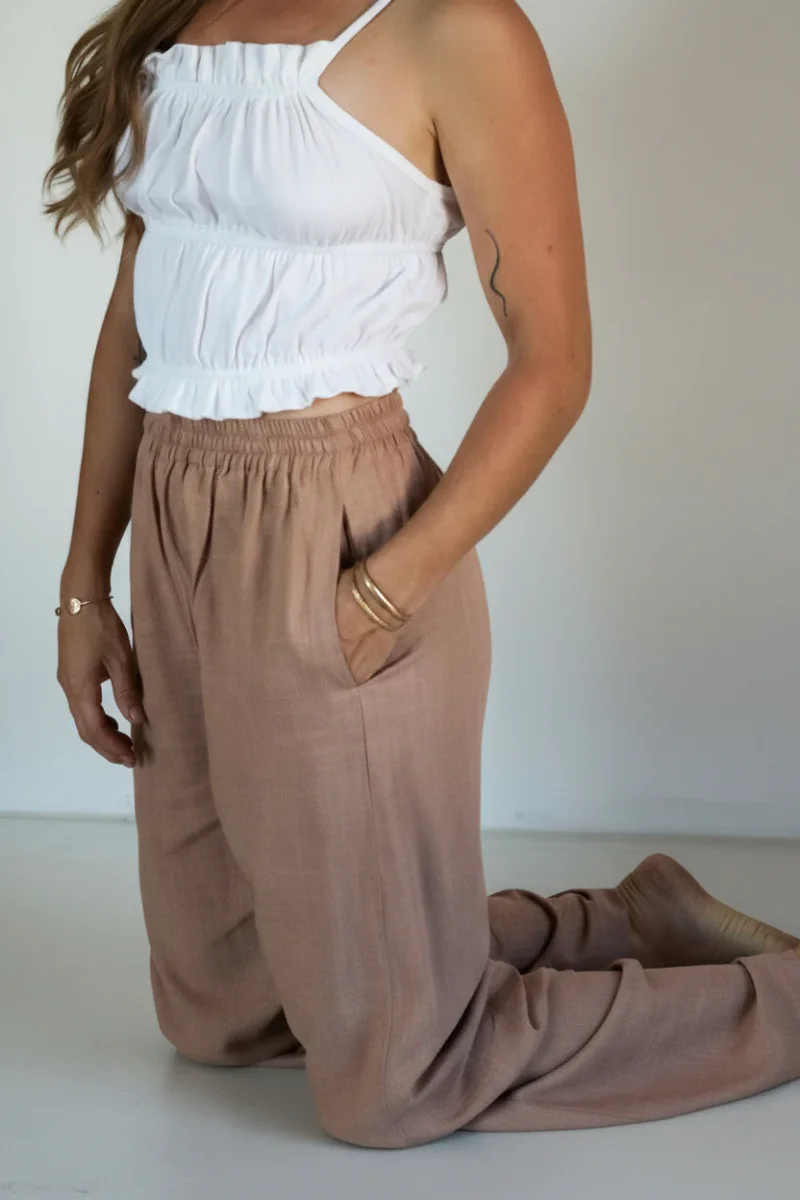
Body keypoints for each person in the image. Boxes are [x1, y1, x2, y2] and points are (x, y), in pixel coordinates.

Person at [45, 0, 800, 1150]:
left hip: (335, 528)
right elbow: (129, 326)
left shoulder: (455, 28)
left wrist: (383, 589)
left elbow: (552, 365)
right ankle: (622, 920)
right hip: (175, 507)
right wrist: (85, 584)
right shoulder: (185, 17)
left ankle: (777, 1004)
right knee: (222, 1014)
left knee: (398, 1082)